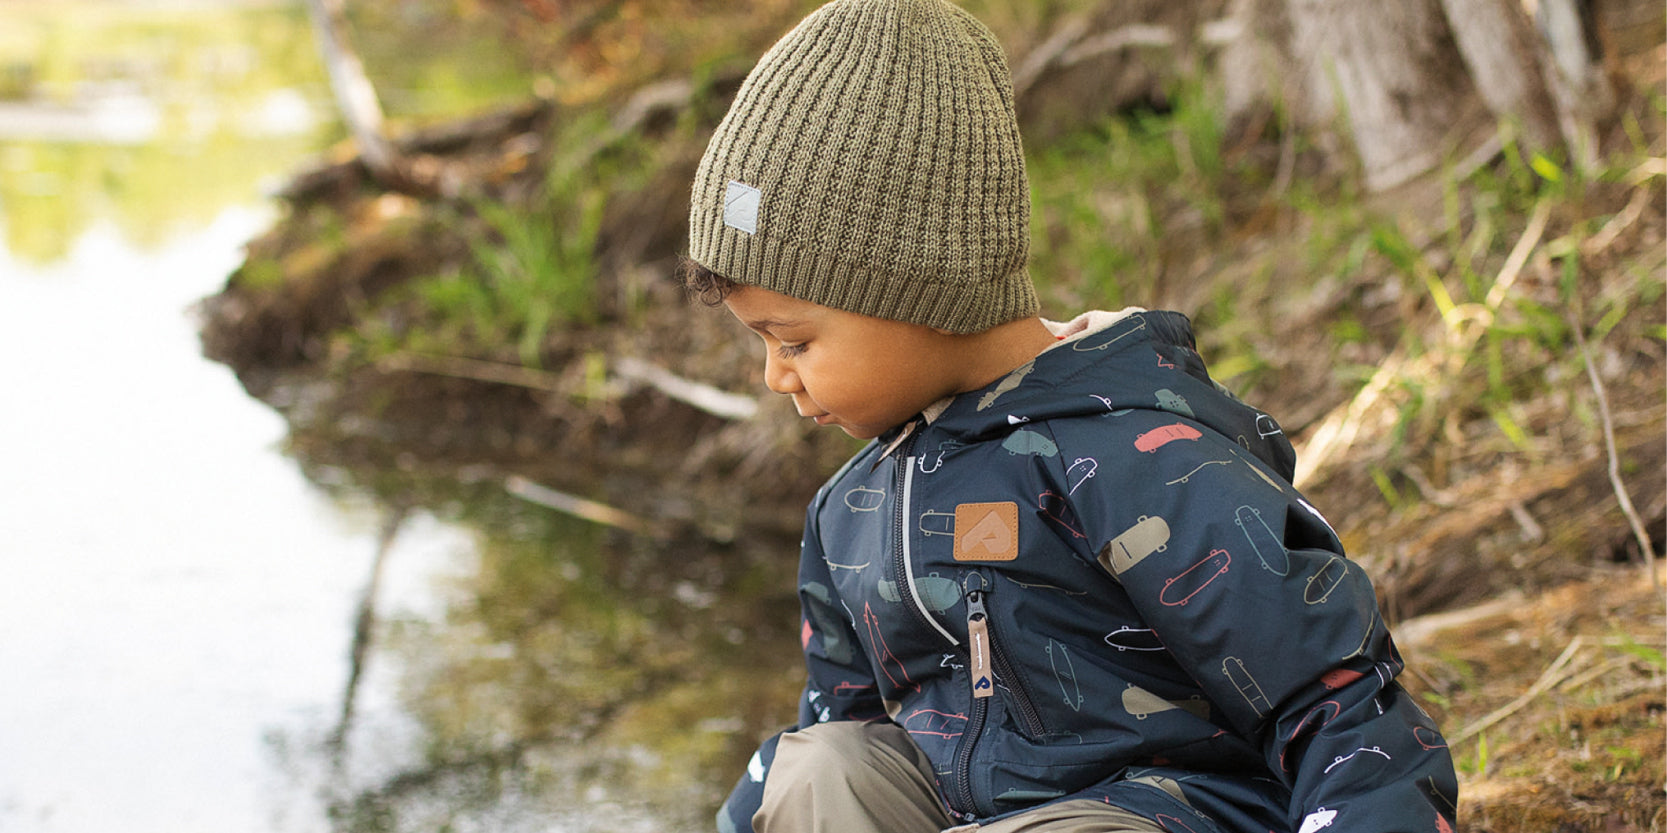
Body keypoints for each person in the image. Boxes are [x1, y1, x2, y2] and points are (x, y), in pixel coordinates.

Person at [681, 0, 1460, 831]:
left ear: (918, 286)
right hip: (960, 811)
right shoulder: (852, 510)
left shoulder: (1143, 458)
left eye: (792, 339)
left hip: (1163, 815)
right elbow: (823, 731)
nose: (773, 377)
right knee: (821, 766)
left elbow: (1339, 706)